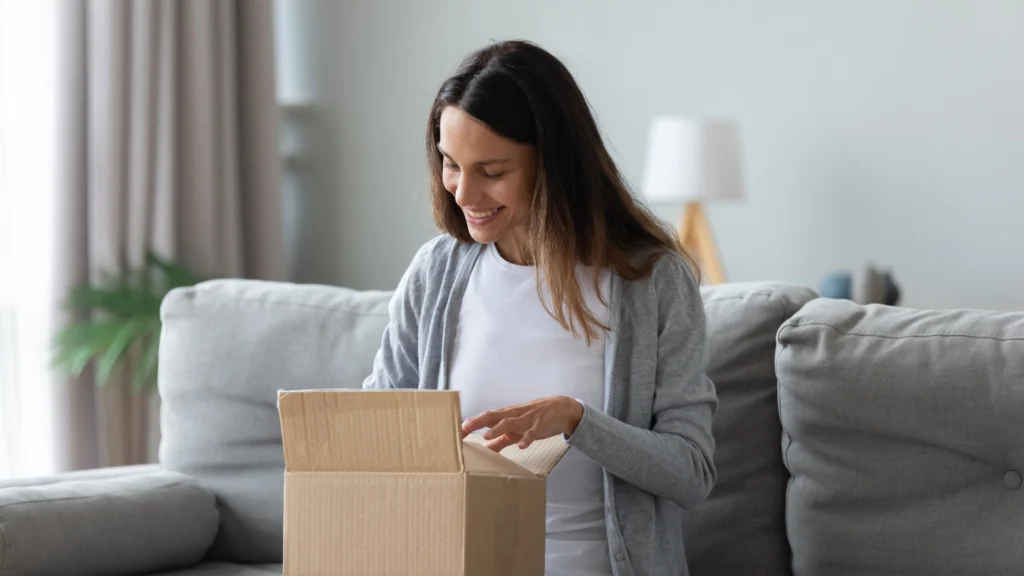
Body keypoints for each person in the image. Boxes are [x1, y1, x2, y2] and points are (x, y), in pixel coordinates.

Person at [363, 39, 717, 576]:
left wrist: (578, 421)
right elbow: (380, 429)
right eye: (450, 164)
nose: (462, 192)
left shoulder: (650, 281)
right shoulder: (436, 273)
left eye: (492, 171)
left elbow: (691, 473)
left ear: (553, 164)